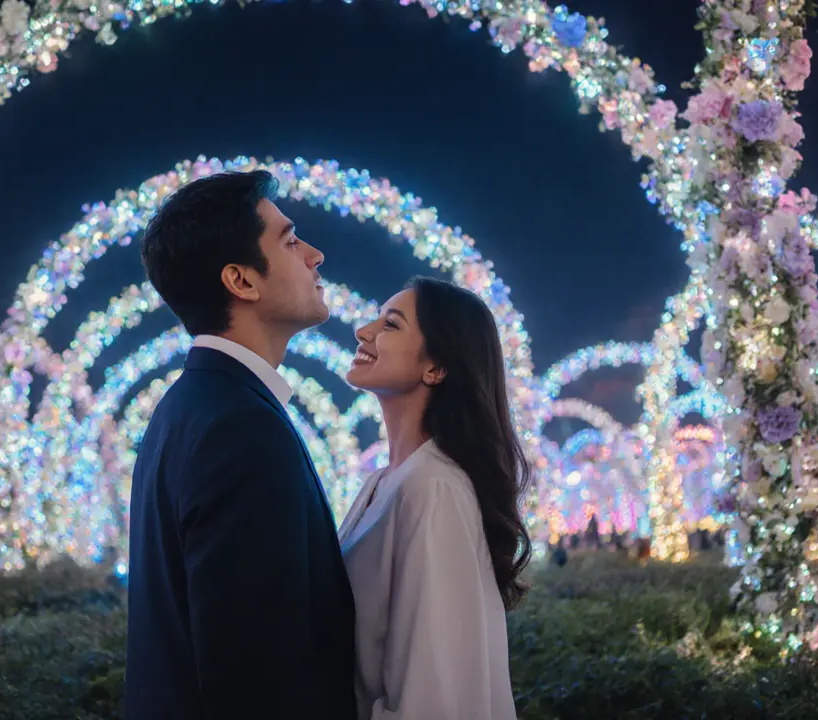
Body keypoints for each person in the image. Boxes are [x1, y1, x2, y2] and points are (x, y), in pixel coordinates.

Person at [125, 170, 356, 719]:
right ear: (241, 281)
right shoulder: (239, 427)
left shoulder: (188, 407)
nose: (315, 254)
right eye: (290, 240)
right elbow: (255, 676)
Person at [336, 277, 530, 720]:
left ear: (436, 368)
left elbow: (433, 696)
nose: (363, 331)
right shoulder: (384, 482)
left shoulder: (433, 488)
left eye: (390, 324)